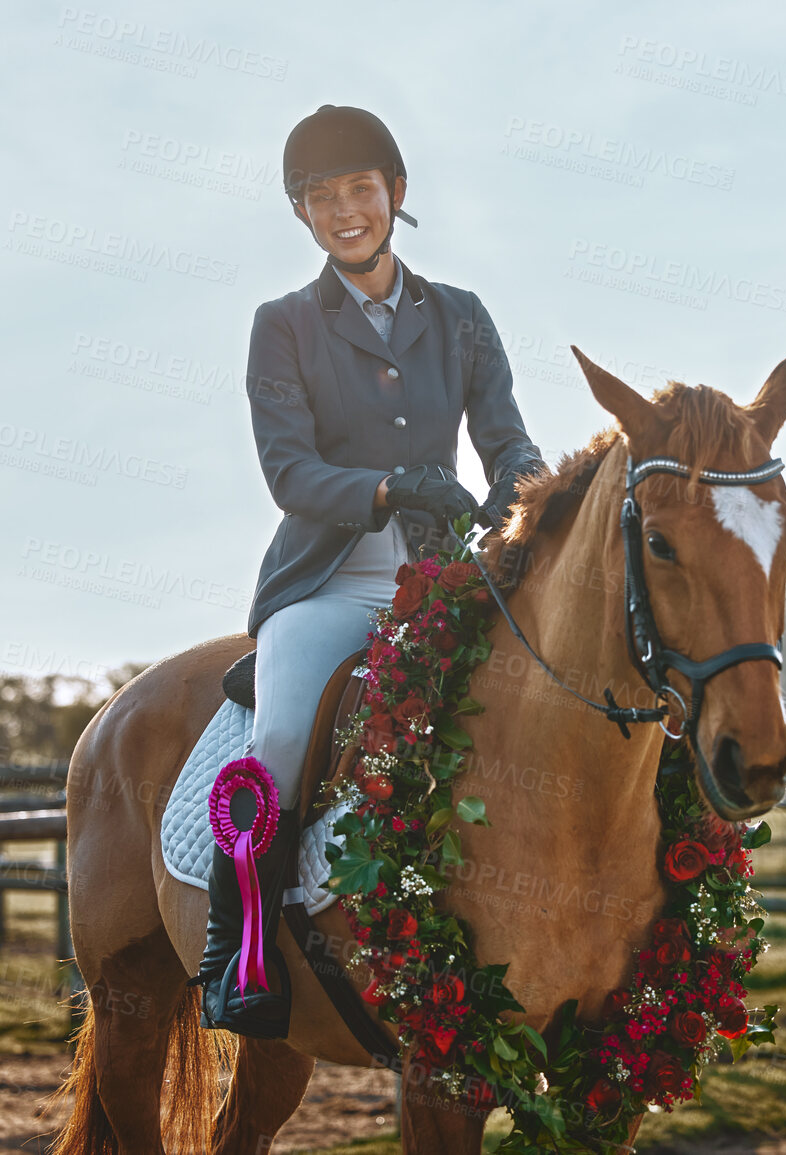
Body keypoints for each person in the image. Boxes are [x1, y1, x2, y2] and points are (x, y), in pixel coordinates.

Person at [191, 105, 546, 1037]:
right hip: (324, 588)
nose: (344, 209)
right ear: (301, 213)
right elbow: (289, 474)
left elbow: (509, 443)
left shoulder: (462, 317)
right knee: (272, 752)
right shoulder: (282, 326)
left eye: (360, 188)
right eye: (321, 196)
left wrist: (518, 496)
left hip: (441, 584)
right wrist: (392, 486)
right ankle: (242, 950)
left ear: (396, 194)